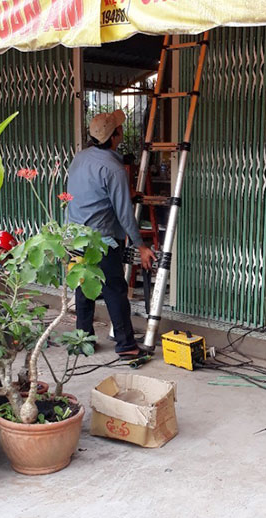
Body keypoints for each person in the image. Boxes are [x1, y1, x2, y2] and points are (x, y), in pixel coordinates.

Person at [66, 109, 157, 358]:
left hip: (75, 236)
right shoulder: (114, 168)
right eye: (120, 127)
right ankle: (127, 346)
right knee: (114, 289)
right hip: (101, 240)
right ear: (116, 134)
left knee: (84, 288)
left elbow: (90, 192)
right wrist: (141, 246)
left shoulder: (80, 158)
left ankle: (83, 341)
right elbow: (125, 213)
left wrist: (125, 193)